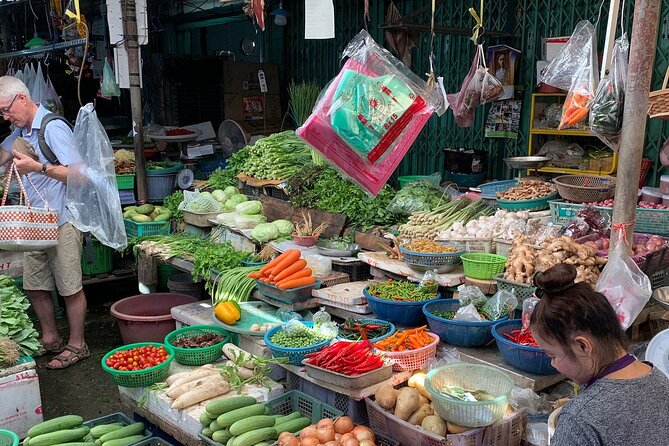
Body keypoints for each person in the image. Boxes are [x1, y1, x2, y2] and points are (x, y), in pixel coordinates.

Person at [0, 75, 89, 369]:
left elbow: (78, 174)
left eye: (6, 110)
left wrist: (37, 166)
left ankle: (78, 345)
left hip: (62, 219)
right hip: (34, 223)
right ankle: (50, 339)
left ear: (22, 99)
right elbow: (1, 156)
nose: (5, 117)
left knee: (69, 286)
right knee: (35, 285)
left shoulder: (54, 128)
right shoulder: (20, 132)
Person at [531, 264, 669, 446]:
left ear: (582, 346)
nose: (553, 365)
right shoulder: (660, 380)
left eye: (553, 356)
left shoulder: (580, 421)